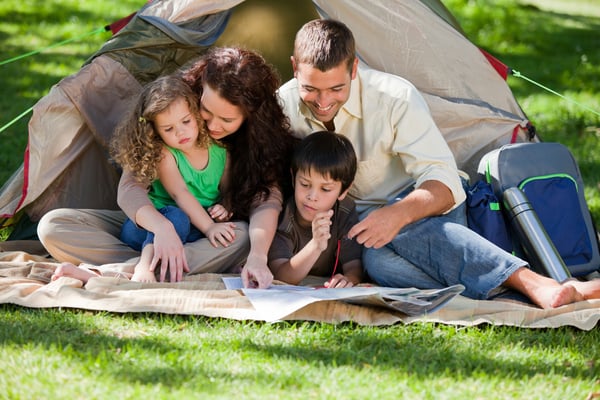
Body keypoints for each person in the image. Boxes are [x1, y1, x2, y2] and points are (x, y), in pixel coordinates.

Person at [277, 18, 600, 309]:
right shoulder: (284, 105)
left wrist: (397, 214)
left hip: (425, 205)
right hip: (363, 230)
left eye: (336, 88)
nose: (322, 102)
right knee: (378, 265)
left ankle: (533, 283)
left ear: (354, 69)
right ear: (294, 68)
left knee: (395, 237)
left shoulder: (394, 97)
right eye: (310, 89)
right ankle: (525, 291)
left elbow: (444, 185)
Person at [41, 47, 297, 288]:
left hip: (200, 229)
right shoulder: (173, 107)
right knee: (53, 226)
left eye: (227, 119)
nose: (213, 126)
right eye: (205, 111)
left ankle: (119, 270)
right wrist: (162, 228)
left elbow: (265, 199)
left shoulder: (257, 143)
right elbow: (131, 187)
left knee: (242, 237)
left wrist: (258, 256)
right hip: (150, 221)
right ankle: (162, 261)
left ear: (251, 116)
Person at [268, 131, 363, 288]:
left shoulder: (344, 212)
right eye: (305, 184)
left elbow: (354, 266)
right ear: (293, 178)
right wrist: (315, 245)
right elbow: (281, 276)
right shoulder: (283, 215)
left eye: (325, 189)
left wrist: (349, 278)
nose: (312, 196)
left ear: (344, 190)